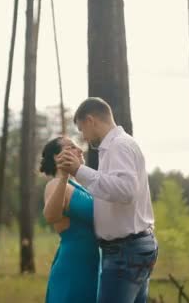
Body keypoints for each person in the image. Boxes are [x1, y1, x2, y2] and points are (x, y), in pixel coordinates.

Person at [57, 97, 158, 303]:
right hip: (134, 248)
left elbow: (125, 190)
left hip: (125, 253)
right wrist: (79, 173)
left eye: (81, 129)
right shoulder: (116, 146)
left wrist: (79, 170)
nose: (83, 137)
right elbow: (111, 190)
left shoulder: (118, 146)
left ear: (90, 120)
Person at [40, 136, 100, 303]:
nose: (80, 150)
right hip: (75, 268)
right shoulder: (55, 185)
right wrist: (64, 176)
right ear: (56, 157)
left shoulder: (83, 187)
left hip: (94, 266)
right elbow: (50, 216)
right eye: (71, 147)